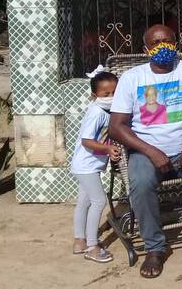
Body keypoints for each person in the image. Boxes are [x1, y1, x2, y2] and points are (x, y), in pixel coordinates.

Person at [109, 25, 182, 279]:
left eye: (168, 41)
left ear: (176, 44)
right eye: (156, 42)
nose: (162, 46)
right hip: (146, 152)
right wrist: (150, 151)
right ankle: (155, 248)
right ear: (146, 49)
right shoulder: (132, 78)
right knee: (140, 182)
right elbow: (116, 127)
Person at [71, 67, 121, 263]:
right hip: (86, 166)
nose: (111, 97)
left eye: (114, 93)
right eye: (106, 94)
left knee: (84, 202)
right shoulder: (97, 112)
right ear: (94, 96)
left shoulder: (105, 111)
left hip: (86, 165)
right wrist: (108, 150)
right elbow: (86, 140)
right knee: (99, 201)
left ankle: (79, 241)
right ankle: (92, 246)